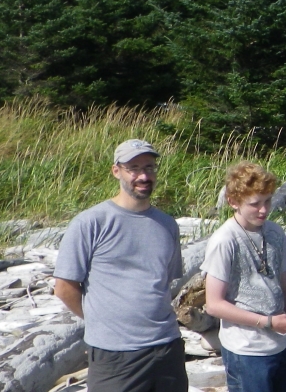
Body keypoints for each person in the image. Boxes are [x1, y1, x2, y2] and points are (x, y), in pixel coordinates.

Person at [54, 139, 188, 391]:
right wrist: (101, 320)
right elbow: (64, 288)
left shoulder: (167, 224)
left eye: (149, 167)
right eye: (134, 168)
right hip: (114, 355)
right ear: (117, 171)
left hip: (166, 349)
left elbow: (164, 283)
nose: (143, 175)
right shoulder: (91, 222)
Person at [202, 162, 286, 392]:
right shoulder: (224, 240)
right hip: (246, 350)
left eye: (267, 200)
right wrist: (268, 322)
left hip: (283, 344)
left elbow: (285, 287)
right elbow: (214, 304)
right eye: (255, 204)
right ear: (233, 202)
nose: (264, 210)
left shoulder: (276, 232)